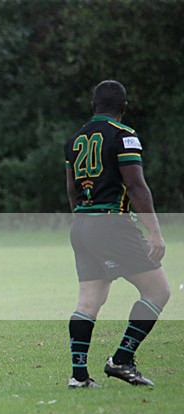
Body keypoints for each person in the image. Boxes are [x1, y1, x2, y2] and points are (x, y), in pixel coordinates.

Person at [64, 80, 170, 389]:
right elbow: (136, 187)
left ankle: (79, 376)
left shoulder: (74, 140)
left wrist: (86, 224)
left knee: (89, 299)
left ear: (93, 107)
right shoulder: (125, 136)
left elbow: (71, 190)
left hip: (81, 224)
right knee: (158, 291)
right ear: (123, 108)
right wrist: (154, 232)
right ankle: (122, 359)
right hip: (112, 222)